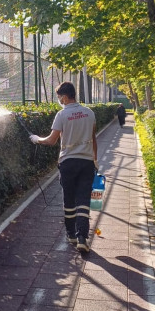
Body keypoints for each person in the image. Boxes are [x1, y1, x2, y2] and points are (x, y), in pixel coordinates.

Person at [29, 82, 97, 253]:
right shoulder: (89, 113)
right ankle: (82, 237)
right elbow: (93, 138)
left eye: (59, 96)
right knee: (83, 200)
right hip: (87, 162)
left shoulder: (62, 114)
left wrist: (37, 139)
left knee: (69, 200)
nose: (58, 99)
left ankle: (71, 235)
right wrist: (95, 160)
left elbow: (52, 140)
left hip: (68, 162)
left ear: (65, 97)